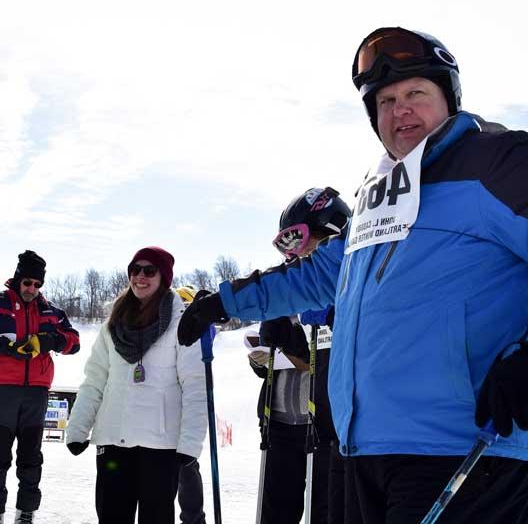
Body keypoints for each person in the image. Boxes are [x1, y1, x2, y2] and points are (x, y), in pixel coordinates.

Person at [178, 26, 528, 523]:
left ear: (448, 99)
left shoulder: (496, 160)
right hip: (366, 448)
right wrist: (225, 302)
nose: (399, 110)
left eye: (415, 94)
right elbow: (318, 276)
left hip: (464, 450)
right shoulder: (381, 194)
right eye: (384, 101)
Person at [66, 247, 207, 524]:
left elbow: (195, 386)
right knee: (111, 517)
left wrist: (190, 443)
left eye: (149, 271)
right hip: (113, 440)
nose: (140, 277)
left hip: (160, 446)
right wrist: (78, 428)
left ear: (164, 278)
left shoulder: (182, 324)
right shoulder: (112, 325)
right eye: (135, 270)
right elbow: (94, 380)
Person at [248, 187, 352, 524]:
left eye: (301, 240)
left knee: (326, 508)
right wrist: (264, 357)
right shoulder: (285, 286)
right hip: (281, 419)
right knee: (276, 509)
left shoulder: (351, 283)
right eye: (286, 245)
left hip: (325, 427)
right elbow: (269, 355)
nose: (295, 254)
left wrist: (303, 349)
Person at [0, 250, 80, 524]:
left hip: (36, 391)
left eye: (37, 284)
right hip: (4, 390)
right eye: (27, 283)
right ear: (17, 279)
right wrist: (6, 347)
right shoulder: (0, 304)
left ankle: (25, 513)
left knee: (30, 457)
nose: (32, 289)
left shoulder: (51, 311)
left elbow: (74, 341)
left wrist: (50, 342)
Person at [175, 285, 207, 524]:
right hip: (163, 407)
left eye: (186, 307)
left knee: (187, 467)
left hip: (188, 405)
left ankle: (194, 519)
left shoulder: (200, 330)